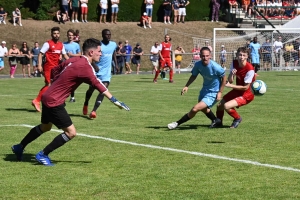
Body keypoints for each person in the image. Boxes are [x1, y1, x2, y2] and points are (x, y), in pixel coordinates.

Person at [11, 38, 130, 166]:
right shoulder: (85, 67)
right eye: (99, 51)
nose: (101, 54)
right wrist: (114, 100)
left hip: (47, 96)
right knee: (71, 132)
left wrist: (56, 85)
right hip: (54, 101)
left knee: (45, 127)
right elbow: (98, 84)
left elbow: (55, 70)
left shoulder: (75, 59)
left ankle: (19, 147)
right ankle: (43, 154)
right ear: (91, 52)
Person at [167, 47, 226, 130]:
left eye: (207, 56)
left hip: (213, 92)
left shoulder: (215, 66)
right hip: (204, 90)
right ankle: (216, 120)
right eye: (203, 56)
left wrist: (220, 92)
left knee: (195, 109)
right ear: (200, 56)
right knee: (203, 108)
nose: (205, 58)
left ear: (210, 56)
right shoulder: (198, 65)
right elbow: (194, 75)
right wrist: (186, 86)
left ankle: (177, 123)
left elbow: (224, 78)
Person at [215, 47, 255, 128]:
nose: (242, 57)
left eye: (244, 55)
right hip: (237, 91)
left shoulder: (250, 69)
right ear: (237, 55)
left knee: (227, 106)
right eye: (240, 55)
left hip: (247, 94)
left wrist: (230, 86)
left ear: (247, 56)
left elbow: (245, 87)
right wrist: (231, 75)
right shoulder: (234, 63)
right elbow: (231, 80)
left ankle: (237, 118)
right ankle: (218, 122)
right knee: (220, 105)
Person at [32, 27, 69, 112]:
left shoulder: (61, 45)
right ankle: (37, 100)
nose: (56, 35)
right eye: (54, 33)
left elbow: (65, 56)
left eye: (57, 33)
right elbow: (40, 54)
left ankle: (48, 103)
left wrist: (72, 62)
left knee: (50, 86)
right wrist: (39, 65)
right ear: (51, 34)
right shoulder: (48, 44)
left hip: (56, 69)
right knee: (49, 84)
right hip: (48, 68)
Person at [83, 29, 118, 119]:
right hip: (96, 72)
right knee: (91, 90)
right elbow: (90, 56)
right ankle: (86, 102)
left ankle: (94, 111)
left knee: (103, 91)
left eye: (110, 34)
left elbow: (113, 53)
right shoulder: (98, 46)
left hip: (106, 73)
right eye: (106, 35)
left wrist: (116, 65)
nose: (108, 36)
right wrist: (94, 65)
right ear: (102, 35)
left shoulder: (113, 44)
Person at [64, 29, 81, 102]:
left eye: (71, 35)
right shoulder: (63, 44)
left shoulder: (76, 45)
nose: (70, 36)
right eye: (69, 35)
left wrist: (72, 55)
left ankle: (72, 97)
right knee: (65, 81)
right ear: (67, 35)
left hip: (74, 65)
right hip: (66, 65)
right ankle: (63, 97)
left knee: (73, 81)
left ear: (74, 36)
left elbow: (80, 54)